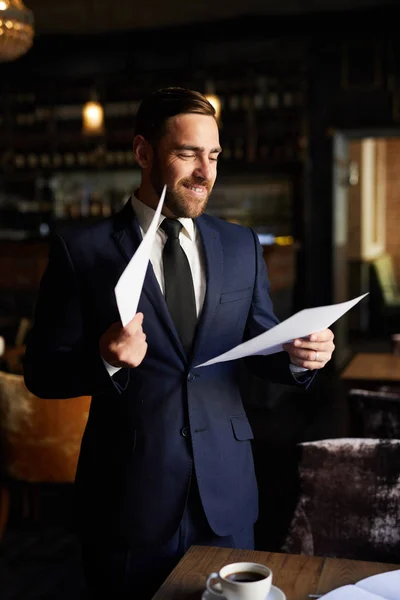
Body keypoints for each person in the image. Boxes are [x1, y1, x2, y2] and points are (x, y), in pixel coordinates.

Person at [24, 87, 335, 599]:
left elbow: (261, 342)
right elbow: (41, 372)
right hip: (127, 497)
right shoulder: (81, 250)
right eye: (187, 153)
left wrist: (300, 357)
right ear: (143, 152)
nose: (205, 172)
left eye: (213, 156)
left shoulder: (240, 245)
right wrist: (103, 358)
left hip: (228, 492)